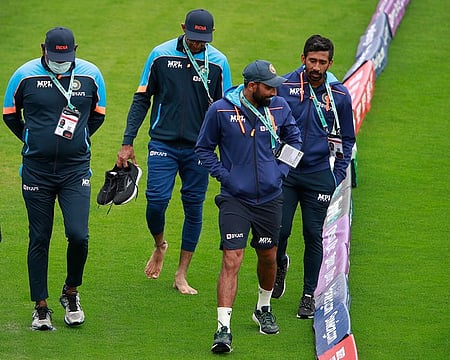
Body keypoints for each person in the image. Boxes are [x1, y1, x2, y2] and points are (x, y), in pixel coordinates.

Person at [116, 9, 232, 295]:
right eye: (193, 38)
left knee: (193, 207)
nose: (197, 44)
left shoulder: (218, 62)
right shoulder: (160, 55)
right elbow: (142, 98)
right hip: (163, 144)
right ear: (183, 28)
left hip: (199, 149)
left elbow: (226, 108)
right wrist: (127, 141)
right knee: (156, 201)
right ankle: (160, 245)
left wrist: (228, 151)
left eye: (203, 39)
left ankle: (181, 274)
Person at [195, 60, 303, 353]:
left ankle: (263, 308)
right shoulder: (220, 110)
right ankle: (223, 329)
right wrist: (226, 177)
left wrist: (280, 172)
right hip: (235, 199)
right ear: (251, 86)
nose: (274, 91)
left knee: (268, 257)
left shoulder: (279, 107)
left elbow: (296, 139)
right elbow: (203, 149)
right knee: (232, 258)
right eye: (268, 87)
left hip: (269, 198)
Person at [2, 27, 107, 330]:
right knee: (39, 237)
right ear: (42, 49)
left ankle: (71, 292)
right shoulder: (24, 75)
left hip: (75, 170)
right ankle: (41, 307)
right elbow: (10, 113)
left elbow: (98, 113)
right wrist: (32, 139)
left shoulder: (90, 75)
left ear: (75, 48)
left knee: (79, 235)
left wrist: (80, 138)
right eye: (54, 56)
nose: (61, 61)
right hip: (36, 171)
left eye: (66, 56)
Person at [273, 34, 356, 318]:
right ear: (303, 59)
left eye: (322, 62)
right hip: (287, 173)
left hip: (319, 174)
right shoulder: (284, 87)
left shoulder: (340, 95)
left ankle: (308, 295)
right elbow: (272, 126)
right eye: (312, 60)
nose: (316, 67)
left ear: (330, 63)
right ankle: (280, 262)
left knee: (313, 235)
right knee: (279, 230)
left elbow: (347, 140)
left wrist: (336, 176)